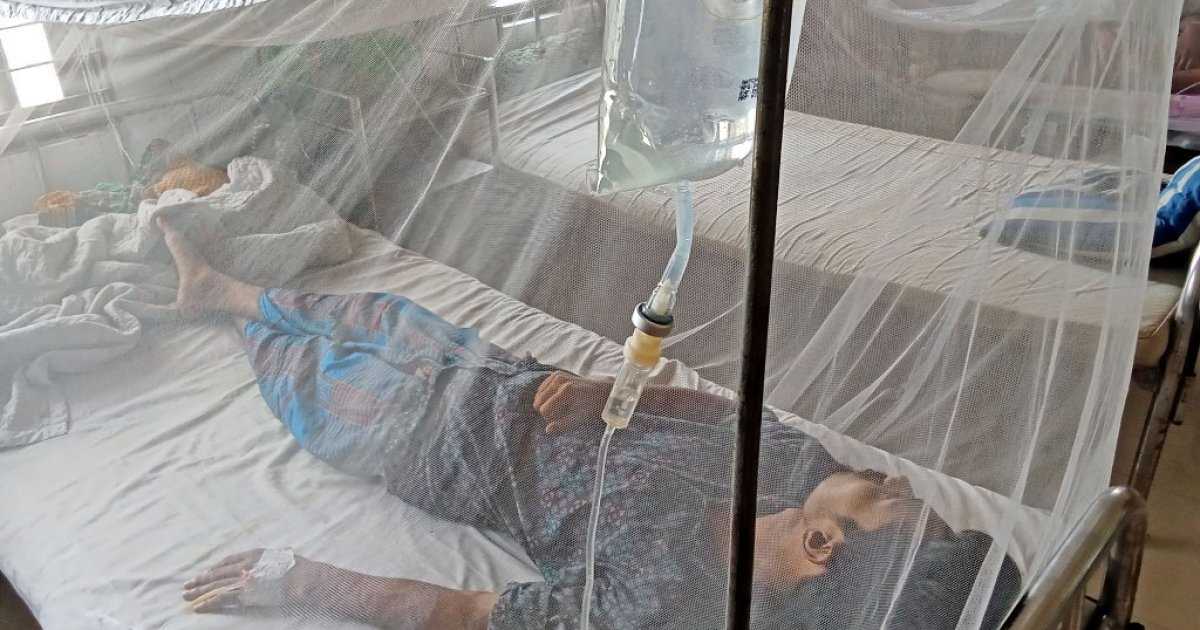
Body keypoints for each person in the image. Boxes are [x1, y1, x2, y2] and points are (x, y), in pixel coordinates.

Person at [158, 217, 1020, 629]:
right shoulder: (797, 466)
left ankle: (231, 320)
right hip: (510, 377)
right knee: (380, 312)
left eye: (896, 502)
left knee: (304, 374)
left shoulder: (659, 603)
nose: (892, 477)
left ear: (825, 546)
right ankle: (226, 291)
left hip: (422, 440)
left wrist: (304, 580)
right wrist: (611, 392)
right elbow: (714, 408)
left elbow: (469, 611)